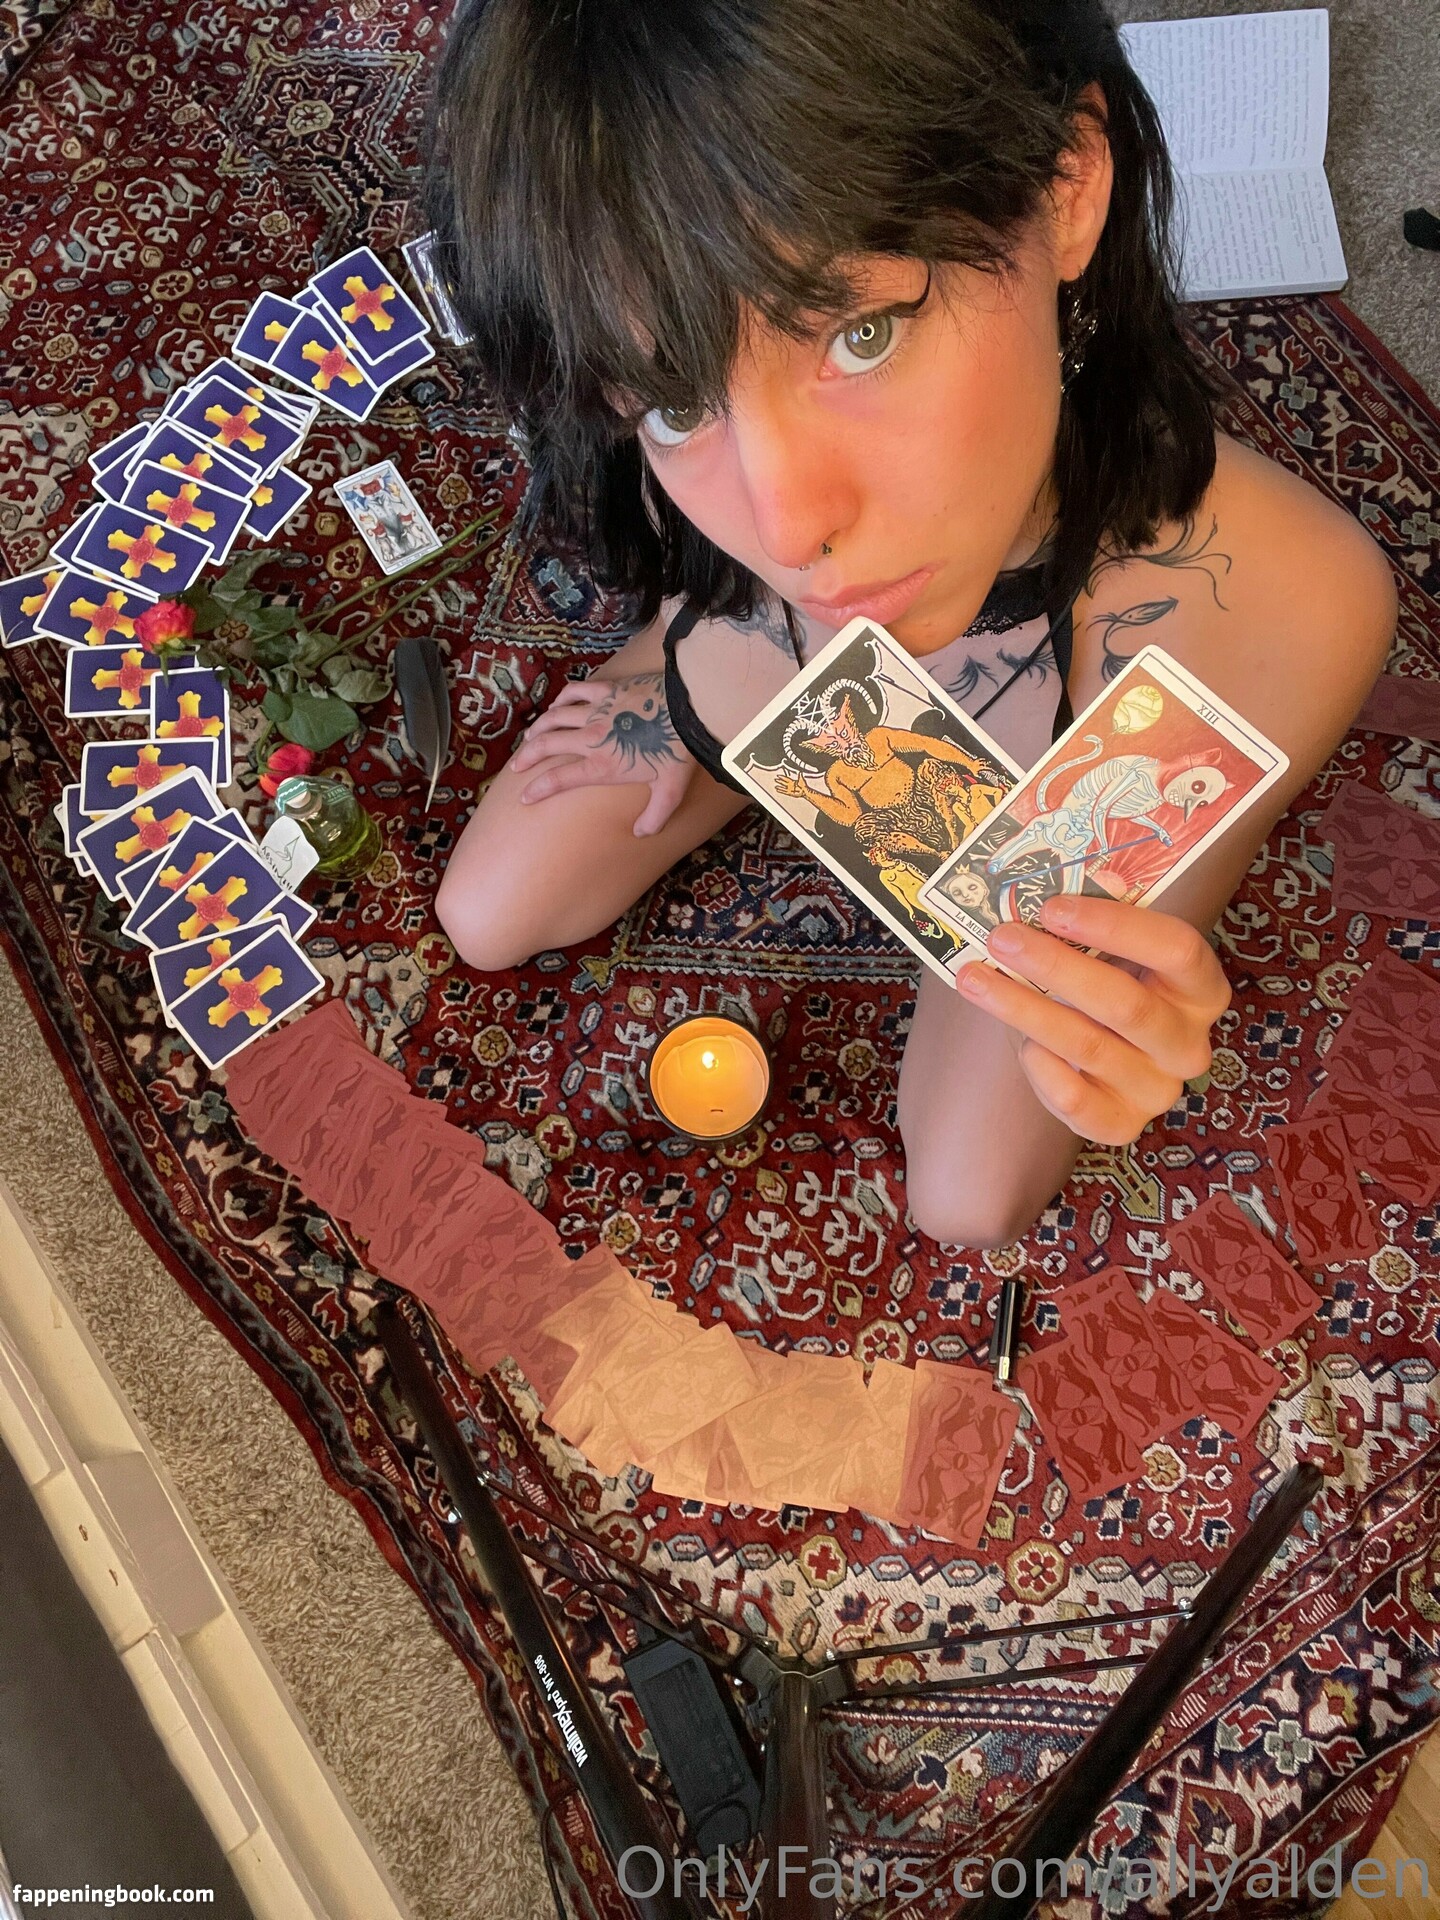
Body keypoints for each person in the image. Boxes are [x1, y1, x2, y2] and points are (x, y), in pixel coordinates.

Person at [422, 0, 1396, 1248]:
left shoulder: (1253, 604)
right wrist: (706, 648)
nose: (785, 527)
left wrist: (1064, 958)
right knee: (491, 911)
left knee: (964, 1192)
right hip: (795, 660)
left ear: (1066, 189)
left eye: (862, 333)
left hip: (1115, 678)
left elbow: (1009, 1121)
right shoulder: (768, 504)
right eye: (673, 403)